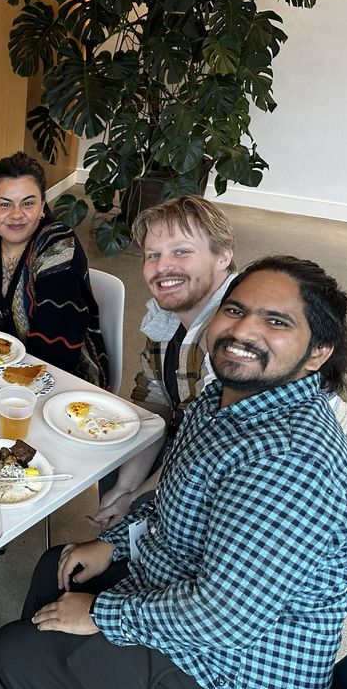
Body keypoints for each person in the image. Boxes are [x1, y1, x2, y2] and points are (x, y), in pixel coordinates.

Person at [0, 255, 347, 689]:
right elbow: (175, 505)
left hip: (230, 665)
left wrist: (99, 615)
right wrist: (114, 543)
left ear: (317, 353)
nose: (242, 330)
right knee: (57, 566)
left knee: (14, 651)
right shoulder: (222, 397)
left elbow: (224, 617)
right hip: (185, 581)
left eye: (277, 321)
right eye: (235, 310)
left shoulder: (290, 461)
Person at [90, 195, 236, 529]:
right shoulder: (166, 318)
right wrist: (127, 486)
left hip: (238, 475)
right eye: (153, 255)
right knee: (117, 464)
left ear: (223, 256)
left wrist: (138, 494)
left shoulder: (233, 333)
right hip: (195, 438)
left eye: (181, 251)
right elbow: (153, 401)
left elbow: (210, 445)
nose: (162, 266)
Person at [0, 152, 108, 387]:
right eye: (4, 204)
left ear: (42, 206)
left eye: (28, 203)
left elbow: (55, 345)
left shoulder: (58, 246)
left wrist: (6, 381)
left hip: (66, 377)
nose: (17, 214)